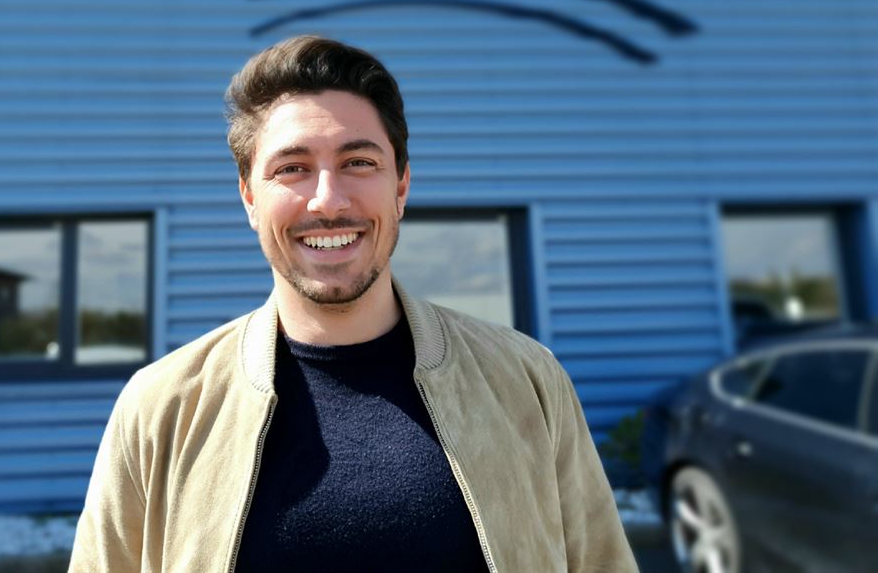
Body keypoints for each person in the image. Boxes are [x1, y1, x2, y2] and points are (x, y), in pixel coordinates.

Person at [69, 35, 638, 572]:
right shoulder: (162, 406)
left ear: (401, 187)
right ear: (248, 197)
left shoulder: (526, 381)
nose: (328, 200)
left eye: (358, 162)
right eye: (292, 169)